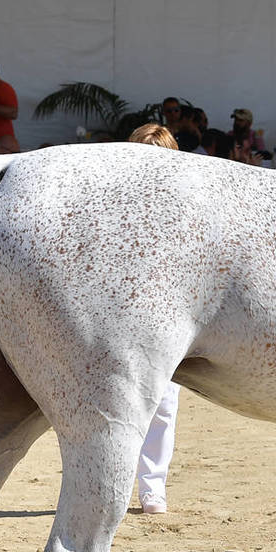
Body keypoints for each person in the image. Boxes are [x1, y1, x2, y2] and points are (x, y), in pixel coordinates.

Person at [126, 123, 183, 515]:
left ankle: (152, 486)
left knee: (164, 403)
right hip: (121, 315)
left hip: (169, 315)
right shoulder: (115, 202)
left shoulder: (183, 203)